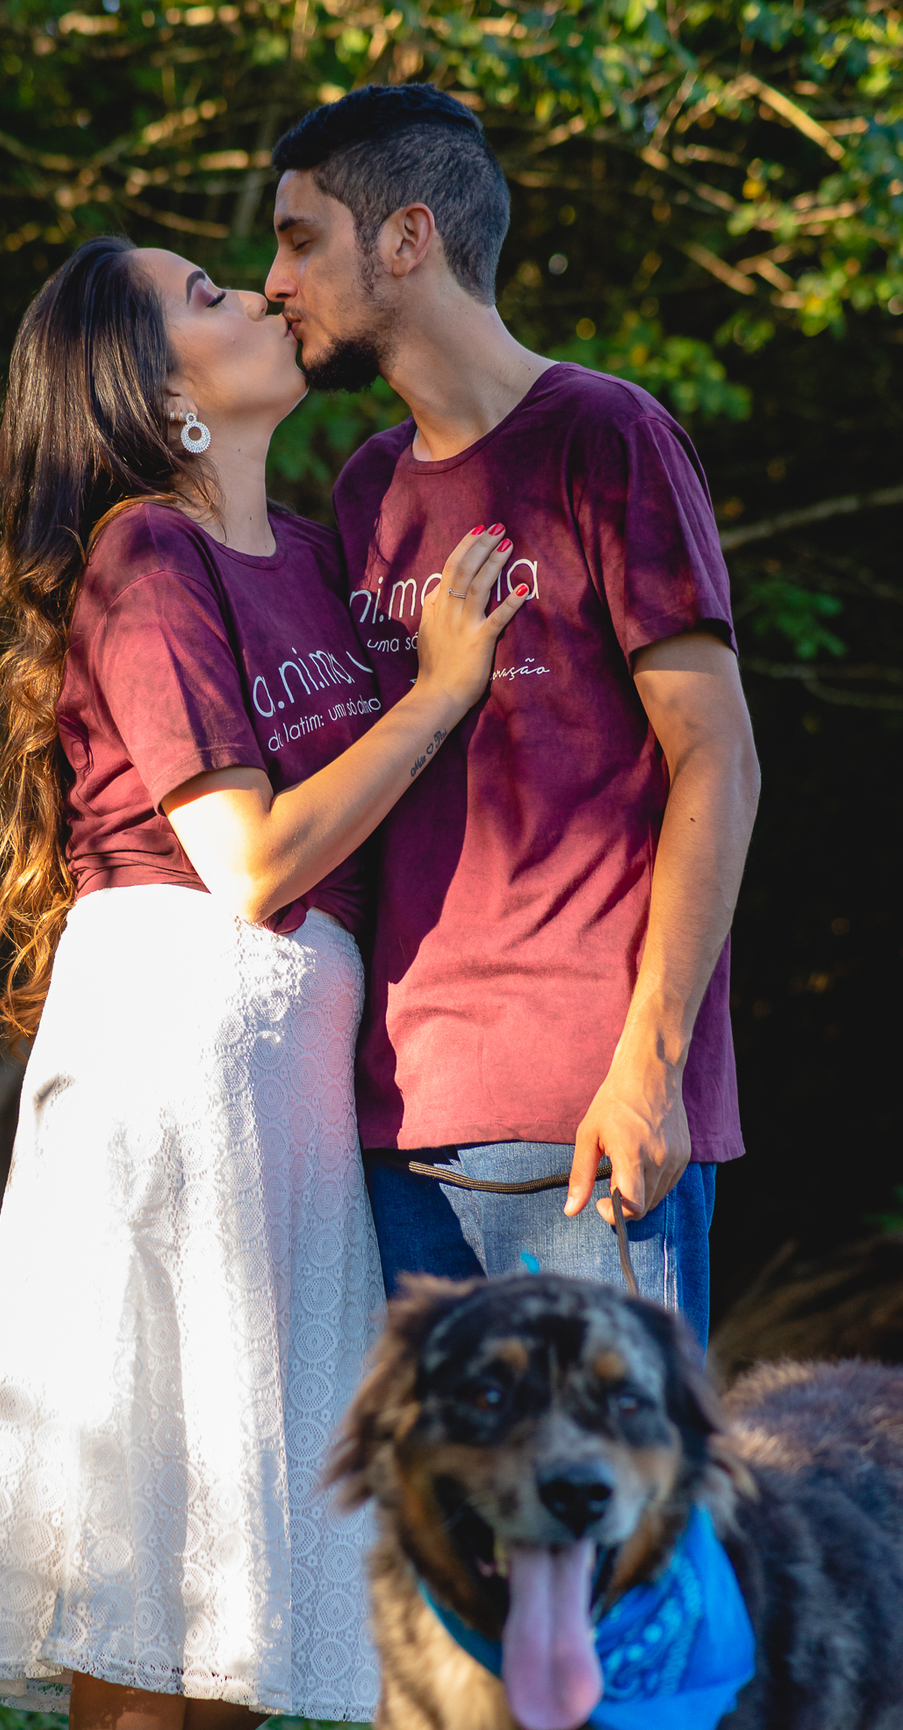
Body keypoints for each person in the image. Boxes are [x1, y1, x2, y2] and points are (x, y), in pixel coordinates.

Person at [0, 235, 527, 1730]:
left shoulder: (319, 549)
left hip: (290, 1078)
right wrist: (438, 692)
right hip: (178, 1039)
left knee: (303, 1558)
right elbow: (249, 856)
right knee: (153, 1547)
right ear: (159, 395)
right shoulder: (148, 555)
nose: (257, 294)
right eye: (204, 296)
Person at [265, 85, 761, 1350]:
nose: (274, 280)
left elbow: (719, 758)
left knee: (618, 1540)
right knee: (443, 1547)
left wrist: (650, 1068)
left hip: (587, 1123)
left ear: (407, 238)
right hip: (396, 1132)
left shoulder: (608, 437)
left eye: (300, 238)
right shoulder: (368, 485)